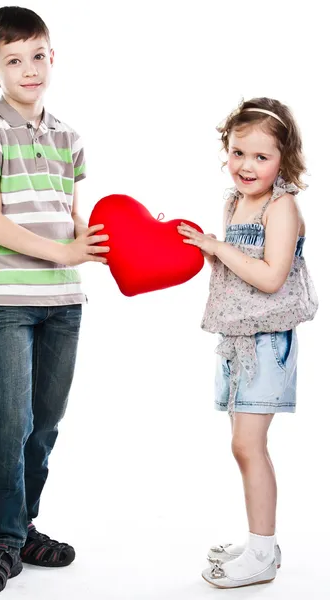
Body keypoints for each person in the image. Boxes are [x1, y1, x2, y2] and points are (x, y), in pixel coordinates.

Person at [0, 6, 109, 595]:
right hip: (9, 300)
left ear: (53, 57)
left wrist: (116, 245)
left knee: (45, 422)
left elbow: (72, 218)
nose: (29, 69)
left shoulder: (68, 136)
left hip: (64, 302)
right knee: (10, 419)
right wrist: (65, 254)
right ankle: (0, 541)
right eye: (13, 59)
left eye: (38, 55)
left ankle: (23, 525)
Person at [178, 97, 318, 589]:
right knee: (242, 445)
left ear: (285, 158)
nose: (247, 165)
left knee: (247, 444)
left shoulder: (281, 207)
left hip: (266, 342)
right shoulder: (235, 201)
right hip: (238, 340)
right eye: (238, 153)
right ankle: (262, 543)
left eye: (262, 157)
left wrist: (220, 248)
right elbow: (237, 269)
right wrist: (203, 245)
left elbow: (272, 276)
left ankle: (262, 551)